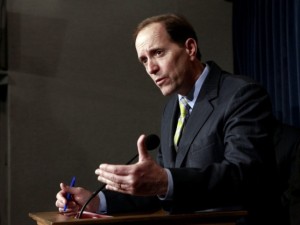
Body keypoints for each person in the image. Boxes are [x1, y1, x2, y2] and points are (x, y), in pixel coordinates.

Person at [55, 13, 283, 224]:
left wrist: (166, 180)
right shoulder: (171, 110)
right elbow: (159, 191)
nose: (151, 68)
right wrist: (96, 201)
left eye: (158, 53)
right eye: (143, 60)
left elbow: (245, 174)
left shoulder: (241, 94)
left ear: (190, 48)